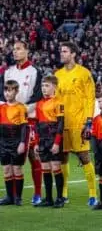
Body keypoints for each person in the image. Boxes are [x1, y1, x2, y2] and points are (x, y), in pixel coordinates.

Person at [0, 40, 43, 205]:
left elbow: (38, 95)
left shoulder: (34, 72)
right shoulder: (8, 72)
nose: (15, 52)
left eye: (18, 49)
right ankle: (12, 196)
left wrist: (23, 107)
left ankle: (37, 193)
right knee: (10, 159)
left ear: (27, 51)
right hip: (9, 120)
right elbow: (1, 93)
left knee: (33, 155)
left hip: (28, 119)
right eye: (13, 50)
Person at [55, 42, 97, 206]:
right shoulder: (57, 75)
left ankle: (93, 194)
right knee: (62, 158)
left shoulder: (84, 73)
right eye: (61, 51)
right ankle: (64, 193)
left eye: (64, 51)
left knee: (84, 157)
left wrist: (88, 122)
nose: (62, 54)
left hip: (79, 122)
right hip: (62, 123)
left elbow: (89, 98)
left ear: (73, 54)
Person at [32, 75, 66, 208]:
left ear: (55, 87)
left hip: (53, 138)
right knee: (45, 168)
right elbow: (37, 125)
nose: (44, 88)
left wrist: (57, 142)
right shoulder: (39, 104)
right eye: (42, 86)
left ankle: (60, 198)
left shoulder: (59, 102)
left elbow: (61, 124)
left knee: (55, 167)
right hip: (43, 139)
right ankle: (48, 199)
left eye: (47, 86)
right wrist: (36, 143)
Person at [0, 80, 28, 206]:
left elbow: (24, 127)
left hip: (16, 140)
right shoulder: (1, 108)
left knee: (17, 168)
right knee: (6, 169)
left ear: (16, 91)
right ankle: (9, 197)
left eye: (10, 90)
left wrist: (22, 142)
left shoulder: (21, 107)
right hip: (3, 142)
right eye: (6, 90)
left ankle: (18, 197)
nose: (7, 93)